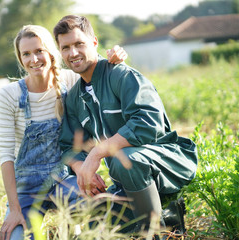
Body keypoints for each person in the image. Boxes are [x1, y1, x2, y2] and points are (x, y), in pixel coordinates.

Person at [53, 15, 198, 234]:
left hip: (166, 161)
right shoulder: (74, 97)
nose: (72, 53)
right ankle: (168, 215)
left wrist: (97, 153)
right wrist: (83, 169)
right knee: (95, 224)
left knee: (125, 161)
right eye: (65, 48)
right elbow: (69, 146)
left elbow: (149, 122)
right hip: (125, 179)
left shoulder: (120, 75)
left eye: (79, 44)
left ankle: (156, 232)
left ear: (94, 42)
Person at [0, 24, 128, 240]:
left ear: (51, 51)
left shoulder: (71, 80)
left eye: (39, 51)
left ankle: (74, 230)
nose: (34, 59)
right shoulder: (9, 95)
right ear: (20, 59)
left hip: (67, 178)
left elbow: (104, 76)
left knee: (102, 211)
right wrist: (14, 210)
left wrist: (117, 58)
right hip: (26, 187)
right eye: (26, 54)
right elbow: (6, 157)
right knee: (15, 237)